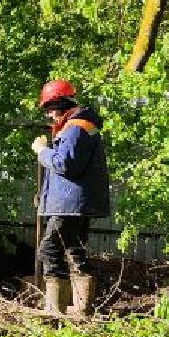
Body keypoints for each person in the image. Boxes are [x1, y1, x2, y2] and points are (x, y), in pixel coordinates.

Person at [31, 79, 111, 316]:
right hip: (74, 202)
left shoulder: (76, 127)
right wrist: (44, 197)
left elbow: (66, 164)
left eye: (50, 109)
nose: (49, 116)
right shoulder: (81, 126)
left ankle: (56, 308)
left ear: (61, 103)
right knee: (73, 249)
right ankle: (80, 308)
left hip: (70, 204)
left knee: (49, 248)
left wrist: (42, 151)